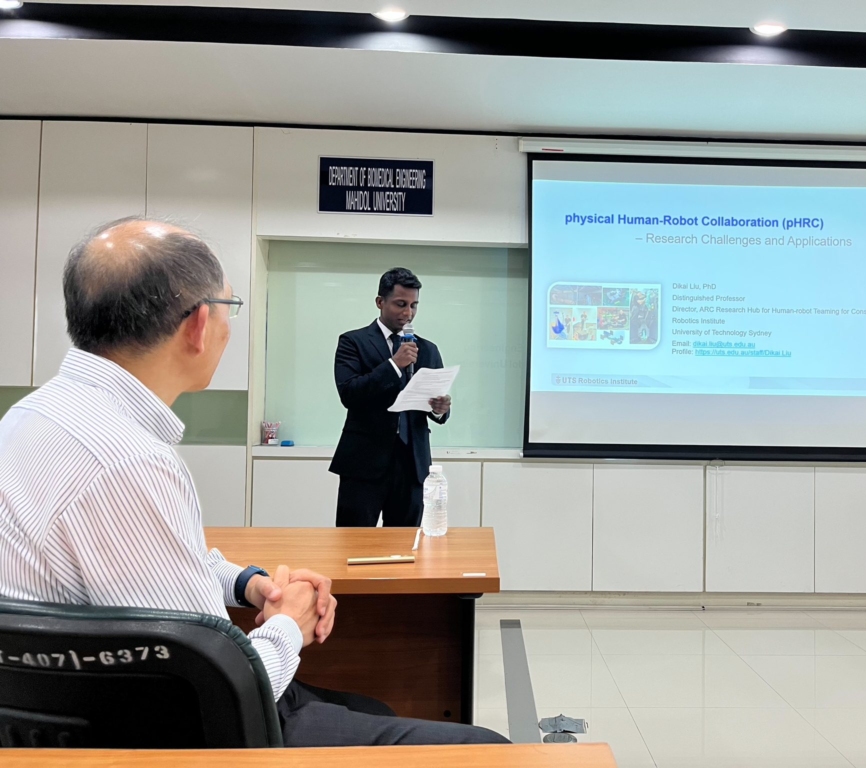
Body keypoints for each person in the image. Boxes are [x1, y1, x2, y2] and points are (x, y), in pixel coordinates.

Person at [0, 218, 505, 746]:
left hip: (107, 709)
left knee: (371, 705)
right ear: (199, 325)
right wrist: (290, 622)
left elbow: (165, 561)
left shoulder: (34, 417)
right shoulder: (127, 462)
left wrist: (246, 583)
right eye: (230, 307)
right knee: (485, 749)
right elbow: (214, 690)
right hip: (213, 730)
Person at [330, 268, 451, 528]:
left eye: (413, 305)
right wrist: (394, 365)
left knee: (405, 544)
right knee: (353, 544)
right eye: (400, 304)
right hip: (364, 464)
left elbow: (435, 403)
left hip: (412, 464)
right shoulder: (353, 341)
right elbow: (349, 393)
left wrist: (440, 408)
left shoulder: (428, 349)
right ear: (380, 302)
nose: (408, 313)